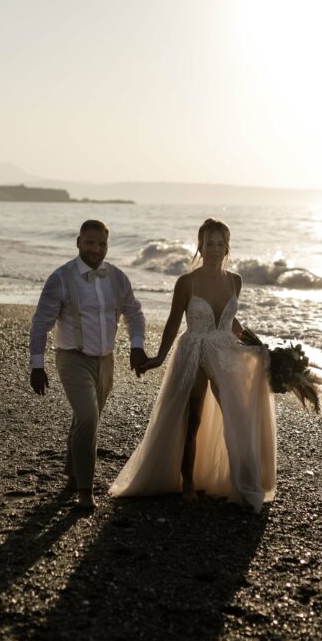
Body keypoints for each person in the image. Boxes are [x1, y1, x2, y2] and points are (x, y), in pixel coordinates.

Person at [109, 218, 276, 512]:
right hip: (196, 350)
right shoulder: (186, 282)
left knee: (237, 414)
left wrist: (254, 343)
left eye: (220, 243)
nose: (214, 249)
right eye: (208, 243)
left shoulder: (235, 280)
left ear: (227, 247)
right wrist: (159, 358)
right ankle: (187, 480)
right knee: (193, 418)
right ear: (199, 245)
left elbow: (230, 321)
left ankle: (242, 481)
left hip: (225, 351)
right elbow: (174, 322)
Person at [30, 219, 147, 509]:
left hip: (106, 361)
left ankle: (72, 471)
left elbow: (135, 313)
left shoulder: (118, 278)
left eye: (102, 244)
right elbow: (40, 324)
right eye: (90, 243)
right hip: (72, 357)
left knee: (86, 418)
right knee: (89, 418)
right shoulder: (61, 278)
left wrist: (137, 347)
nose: (96, 249)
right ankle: (85, 491)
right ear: (78, 242)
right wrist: (37, 365)